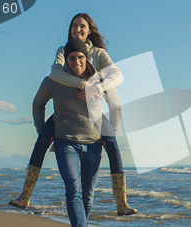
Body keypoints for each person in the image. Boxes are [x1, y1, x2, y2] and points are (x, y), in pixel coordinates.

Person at [9, 13, 137, 216]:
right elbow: (56, 73)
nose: (78, 29)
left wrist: (100, 87)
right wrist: (87, 86)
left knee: (112, 143)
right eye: (74, 26)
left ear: (89, 30)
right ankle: (25, 196)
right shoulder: (63, 50)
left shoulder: (99, 53)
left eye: (82, 26)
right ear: (70, 30)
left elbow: (117, 75)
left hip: (93, 115)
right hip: (66, 111)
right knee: (42, 140)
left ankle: (121, 202)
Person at [34, 37, 110, 227]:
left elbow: (115, 105)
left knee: (88, 196)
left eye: (80, 57)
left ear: (87, 58)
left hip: (93, 145)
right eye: (72, 58)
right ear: (66, 60)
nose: (76, 62)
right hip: (65, 143)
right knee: (73, 191)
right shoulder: (54, 80)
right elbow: (38, 103)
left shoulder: (98, 80)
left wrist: (109, 134)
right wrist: (41, 130)